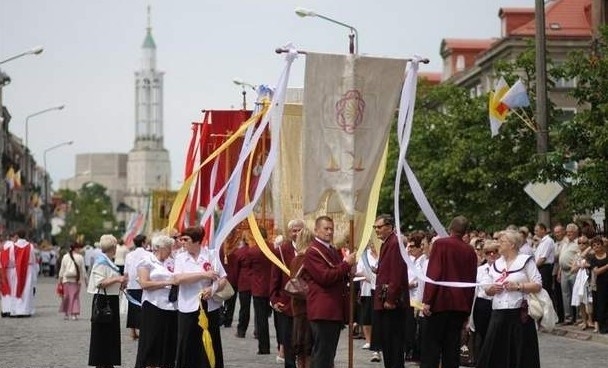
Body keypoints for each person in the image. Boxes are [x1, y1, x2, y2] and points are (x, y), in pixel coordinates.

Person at [476, 229, 542, 368]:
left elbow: (537, 285)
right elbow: (486, 287)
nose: (498, 244)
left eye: (502, 241)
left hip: (519, 314)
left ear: (512, 245)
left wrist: (518, 286)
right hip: (498, 314)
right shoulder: (496, 264)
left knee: (520, 353)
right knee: (494, 353)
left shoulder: (525, 261)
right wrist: (490, 290)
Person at [421, 216, 477, 368]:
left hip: (440, 302)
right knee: (452, 348)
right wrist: (467, 310)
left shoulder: (441, 244)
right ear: (465, 232)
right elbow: (472, 282)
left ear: (450, 228)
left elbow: (434, 273)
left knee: (431, 347)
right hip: (460, 305)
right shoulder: (470, 251)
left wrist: (427, 300)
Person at [302, 216, 356, 368]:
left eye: (331, 228)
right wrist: (345, 265)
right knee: (323, 354)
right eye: (326, 228)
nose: (329, 232)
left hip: (333, 309)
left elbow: (338, 273)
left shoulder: (331, 249)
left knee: (328, 354)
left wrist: (349, 270)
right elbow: (325, 277)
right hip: (323, 309)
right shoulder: (313, 251)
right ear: (316, 230)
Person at [173, 226, 228, 368]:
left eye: (186, 239)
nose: (182, 242)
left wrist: (212, 289)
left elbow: (222, 279)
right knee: (187, 343)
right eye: (181, 239)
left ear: (197, 241)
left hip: (208, 307)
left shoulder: (211, 255)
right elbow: (178, 279)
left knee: (210, 341)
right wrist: (203, 275)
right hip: (187, 306)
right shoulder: (180, 257)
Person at [135, 234, 178, 368]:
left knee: (168, 344)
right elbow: (144, 284)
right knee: (151, 343)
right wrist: (166, 283)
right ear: (161, 248)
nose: (171, 251)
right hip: (153, 305)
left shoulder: (171, 262)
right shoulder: (146, 261)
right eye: (169, 248)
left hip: (171, 307)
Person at [372, 214, 409, 368]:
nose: (376, 230)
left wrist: (390, 299)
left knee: (393, 342)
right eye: (375, 227)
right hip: (385, 297)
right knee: (387, 342)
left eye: (379, 227)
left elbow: (397, 273)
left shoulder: (394, 243)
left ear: (389, 226)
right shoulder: (388, 243)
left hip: (391, 302)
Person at [87, 234, 126, 368]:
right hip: (104, 301)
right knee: (103, 333)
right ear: (113, 247)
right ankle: (102, 362)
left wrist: (121, 283)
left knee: (110, 334)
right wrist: (117, 279)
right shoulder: (101, 262)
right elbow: (100, 282)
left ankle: (108, 361)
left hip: (111, 299)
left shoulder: (109, 261)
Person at [270, 219, 304, 367]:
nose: (296, 233)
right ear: (289, 233)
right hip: (286, 303)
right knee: (288, 340)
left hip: (305, 303)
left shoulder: (311, 249)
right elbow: (274, 277)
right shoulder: (282, 251)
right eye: (293, 231)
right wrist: (274, 298)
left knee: (305, 341)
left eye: (299, 230)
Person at [470, 239, 499, 364]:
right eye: (488, 252)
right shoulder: (480, 270)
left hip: (497, 304)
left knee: (496, 335)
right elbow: (475, 292)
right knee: (481, 335)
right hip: (482, 304)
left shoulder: (503, 269)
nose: (491, 255)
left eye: (495, 252)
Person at [290, 226, 314, 368]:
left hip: (298, 305)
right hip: (309, 304)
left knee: (301, 349)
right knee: (309, 347)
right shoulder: (309, 258)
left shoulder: (295, 259)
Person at [249, 227, 273, 355]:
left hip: (258, 288)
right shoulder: (273, 248)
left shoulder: (252, 251)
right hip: (272, 287)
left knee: (261, 319)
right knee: (278, 320)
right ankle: (282, 347)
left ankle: (264, 347)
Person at [6, 230, 38, 317]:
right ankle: (26, 310)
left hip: (17, 269)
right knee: (27, 290)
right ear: (25, 235)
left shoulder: (13, 246)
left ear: (17, 236)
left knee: (17, 288)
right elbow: (33, 258)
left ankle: (17, 310)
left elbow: (11, 259)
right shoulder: (30, 246)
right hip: (28, 269)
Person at [124, 234, 149, 340]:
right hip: (143, 283)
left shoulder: (129, 255)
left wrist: (125, 283)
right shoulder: (148, 254)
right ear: (143, 242)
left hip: (131, 284)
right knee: (143, 308)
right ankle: (143, 330)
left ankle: (133, 332)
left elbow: (126, 272)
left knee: (132, 308)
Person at [58, 242, 87, 320]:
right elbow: (83, 270)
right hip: (76, 280)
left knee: (66, 297)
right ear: (76, 249)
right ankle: (74, 314)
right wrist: (86, 280)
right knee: (75, 297)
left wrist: (60, 280)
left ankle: (66, 314)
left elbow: (62, 269)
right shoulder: (80, 257)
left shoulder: (65, 257)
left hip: (66, 280)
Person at [234, 236, 252, 338]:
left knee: (244, 308)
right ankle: (258, 331)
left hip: (244, 282)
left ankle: (241, 330)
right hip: (256, 281)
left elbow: (236, 269)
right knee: (259, 310)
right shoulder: (258, 250)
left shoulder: (240, 252)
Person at [589, 236, 608, 334]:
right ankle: (603, 327)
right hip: (600, 284)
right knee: (601, 305)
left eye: (598, 244)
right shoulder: (593, 258)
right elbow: (596, 271)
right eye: (594, 245)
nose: (596, 247)